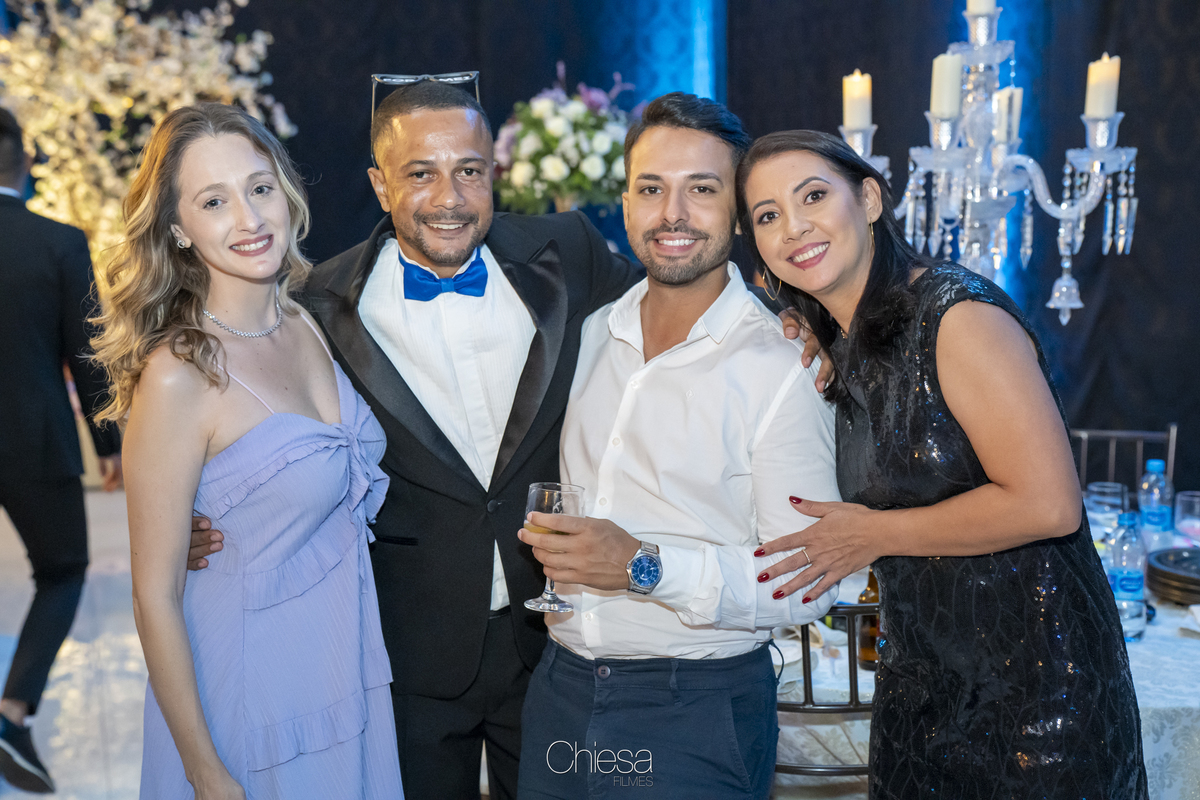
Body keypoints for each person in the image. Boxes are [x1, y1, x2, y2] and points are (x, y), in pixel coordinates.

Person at [738, 130, 1147, 798]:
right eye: (767, 215)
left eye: (813, 196)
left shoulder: (956, 316)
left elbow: (1049, 504)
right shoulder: (836, 345)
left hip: (1042, 695)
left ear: (869, 199)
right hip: (919, 691)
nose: (794, 227)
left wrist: (873, 533)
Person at [515, 93, 840, 800]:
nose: (673, 214)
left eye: (702, 190)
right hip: (559, 692)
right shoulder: (588, 332)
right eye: (651, 189)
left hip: (693, 709)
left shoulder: (784, 367)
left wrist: (643, 566)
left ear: (738, 212)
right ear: (625, 202)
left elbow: (810, 583)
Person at [92, 103, 403, 799]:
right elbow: (154, 595)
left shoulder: (305, 322)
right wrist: (204, 770)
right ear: (178, 228)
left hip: (338, 669)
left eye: (259, 188)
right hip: (247, 699)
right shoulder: (179, 373)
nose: (249, 217)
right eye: (213, 201)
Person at [0, 107, 122, 794]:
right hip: (34, 438)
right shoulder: (58, 242)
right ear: (24, 163)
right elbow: (88, 351)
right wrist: (110, 443)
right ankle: (12, 712)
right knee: (63, 571)